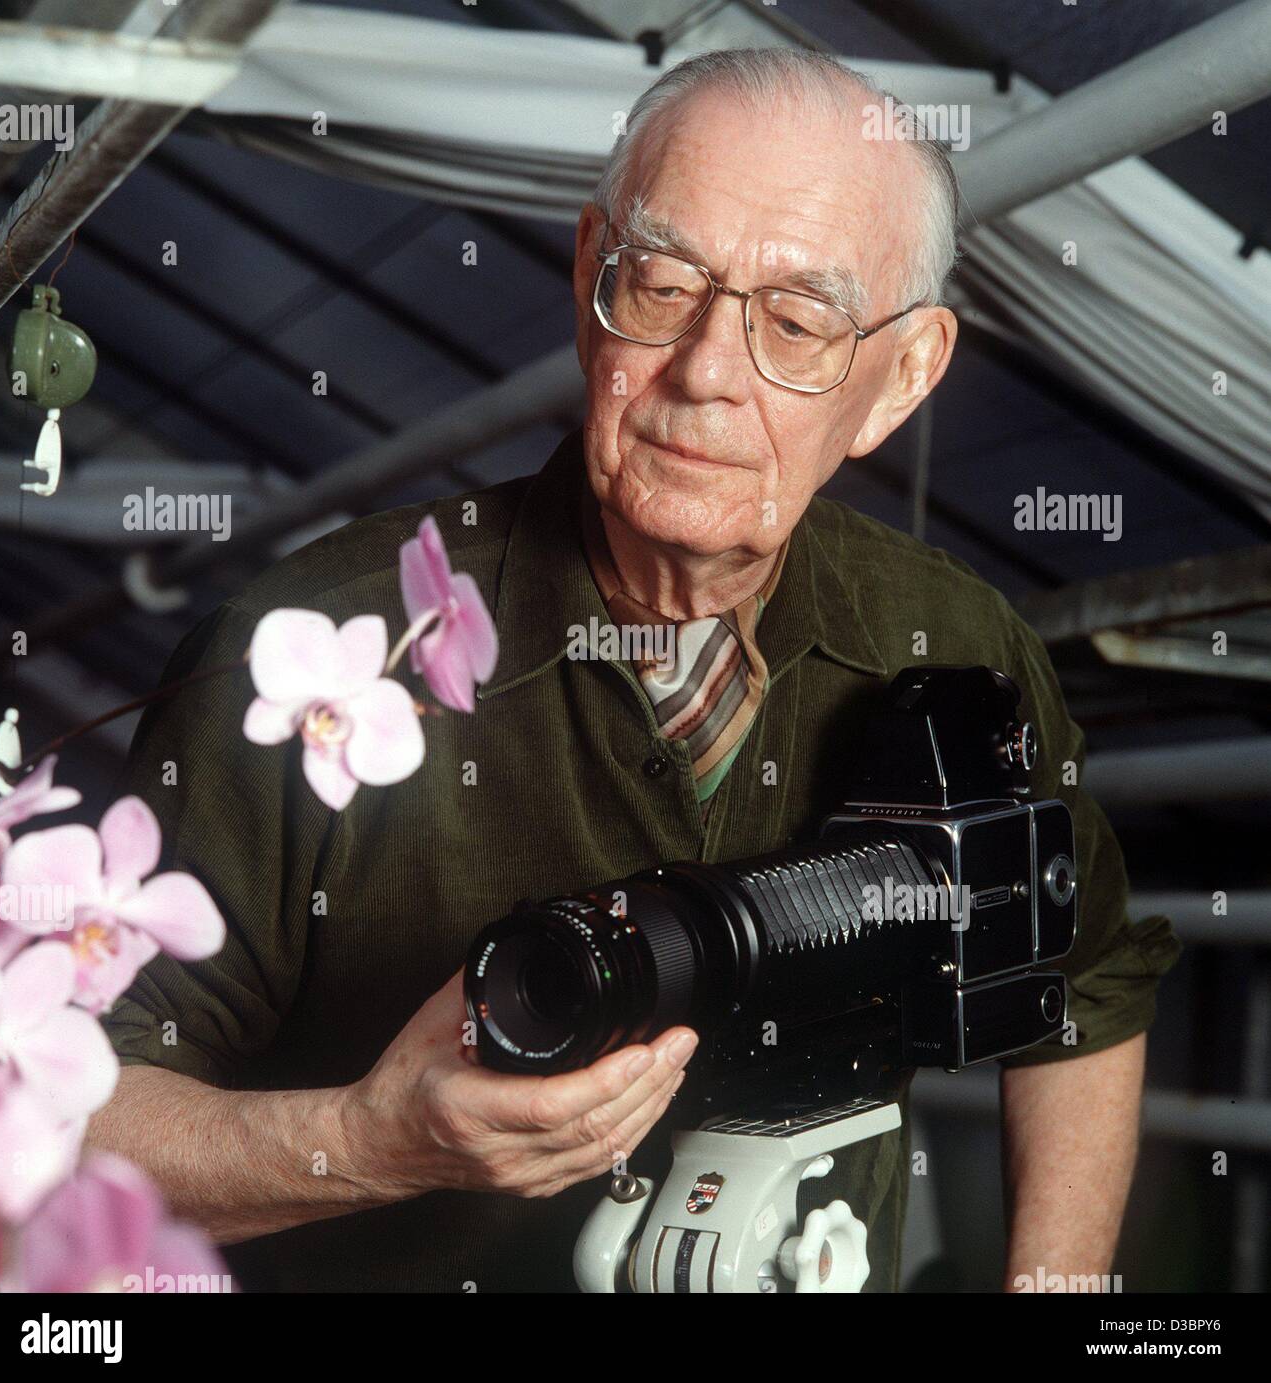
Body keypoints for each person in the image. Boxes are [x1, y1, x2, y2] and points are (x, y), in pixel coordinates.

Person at [90, 48, 1179, 1292]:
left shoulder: (954, 643)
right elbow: (58, 1136)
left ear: (904, 376)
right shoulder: (315, 660)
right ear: (585, 273)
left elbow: (1084, 978)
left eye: (797, 321)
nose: (706, 371)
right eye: (659, 284)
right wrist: (371, 1145)